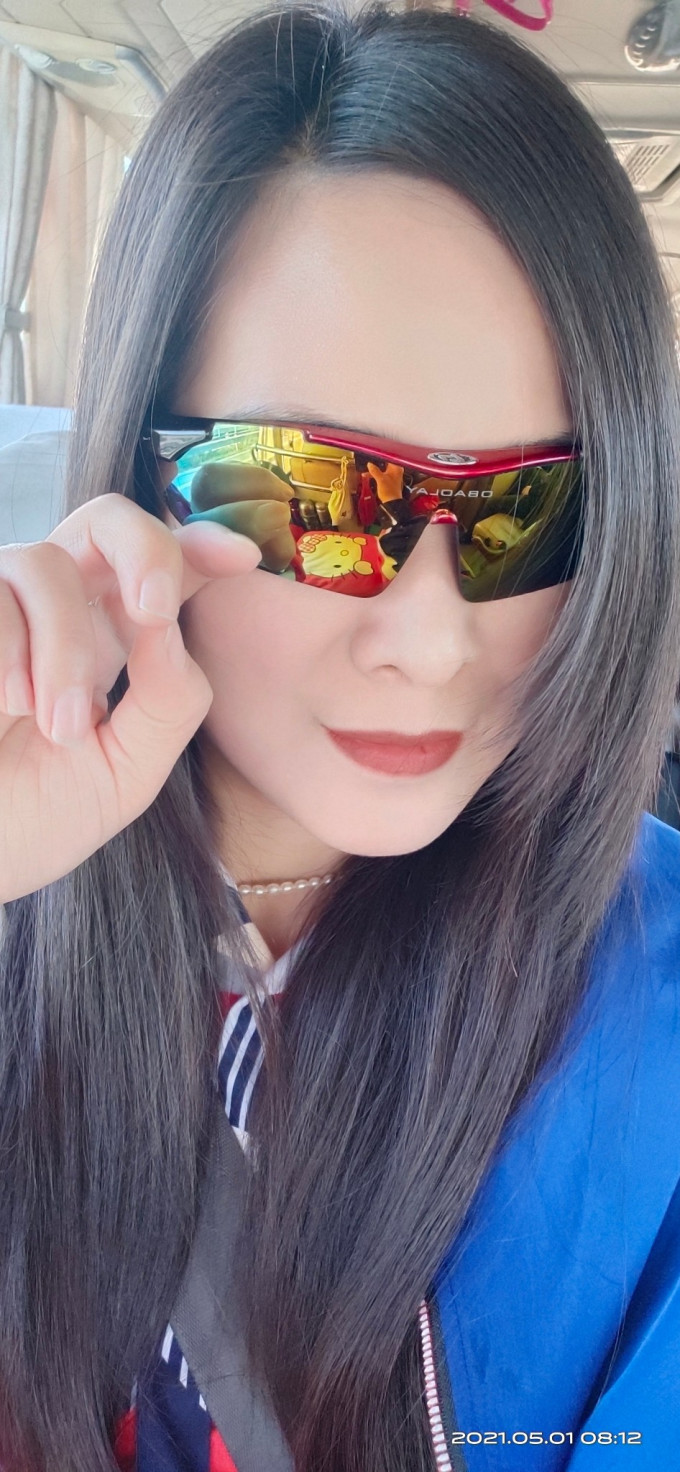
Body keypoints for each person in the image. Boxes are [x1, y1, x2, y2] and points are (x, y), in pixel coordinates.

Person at [0, 3, 679, 1470]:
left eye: (529, 510)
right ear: (142, 476)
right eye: (311, 495)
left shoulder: (659, 1008)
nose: (430, 638)